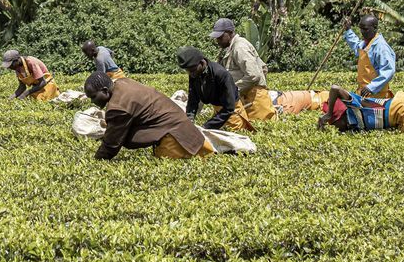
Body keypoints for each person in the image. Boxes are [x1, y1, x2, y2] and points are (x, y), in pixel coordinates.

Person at [84, 72, 212, 160]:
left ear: (105, 91)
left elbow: (112, 143)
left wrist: (97, 160)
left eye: (94, 96)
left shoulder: (119, 108)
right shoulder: (122, 83)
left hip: (175, 139)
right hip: (185, 130)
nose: (92, 101)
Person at [209, 18, 275, 121]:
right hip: (247, 97)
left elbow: (254, 75)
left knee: (263, 128)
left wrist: (232, 90)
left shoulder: (240, 47)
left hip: (256, 99)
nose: (218, 40)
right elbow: (263, 68)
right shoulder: (231, 48)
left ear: (230, 33)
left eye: (220, 37)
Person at [175, 46, 253, 132]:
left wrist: (207, 126)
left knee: (234, 136)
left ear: (202, 62)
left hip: (232, 114)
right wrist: (189, 118)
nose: (191, 74)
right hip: (218, 112)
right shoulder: (195, 74)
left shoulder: (221, 74)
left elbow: (229, 108)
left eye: (192, 70)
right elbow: (193, 98)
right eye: (188, 71)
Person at [342, 14, 396, 98]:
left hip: (377, 96)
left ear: (374, 28)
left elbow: (388, 70)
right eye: (361, 29)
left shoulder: (381, 47)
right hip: (363, 94)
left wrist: (371, 87)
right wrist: (348, 30)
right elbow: (356, 45)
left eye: (365, 29)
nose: (362, 32)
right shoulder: (365, 43)